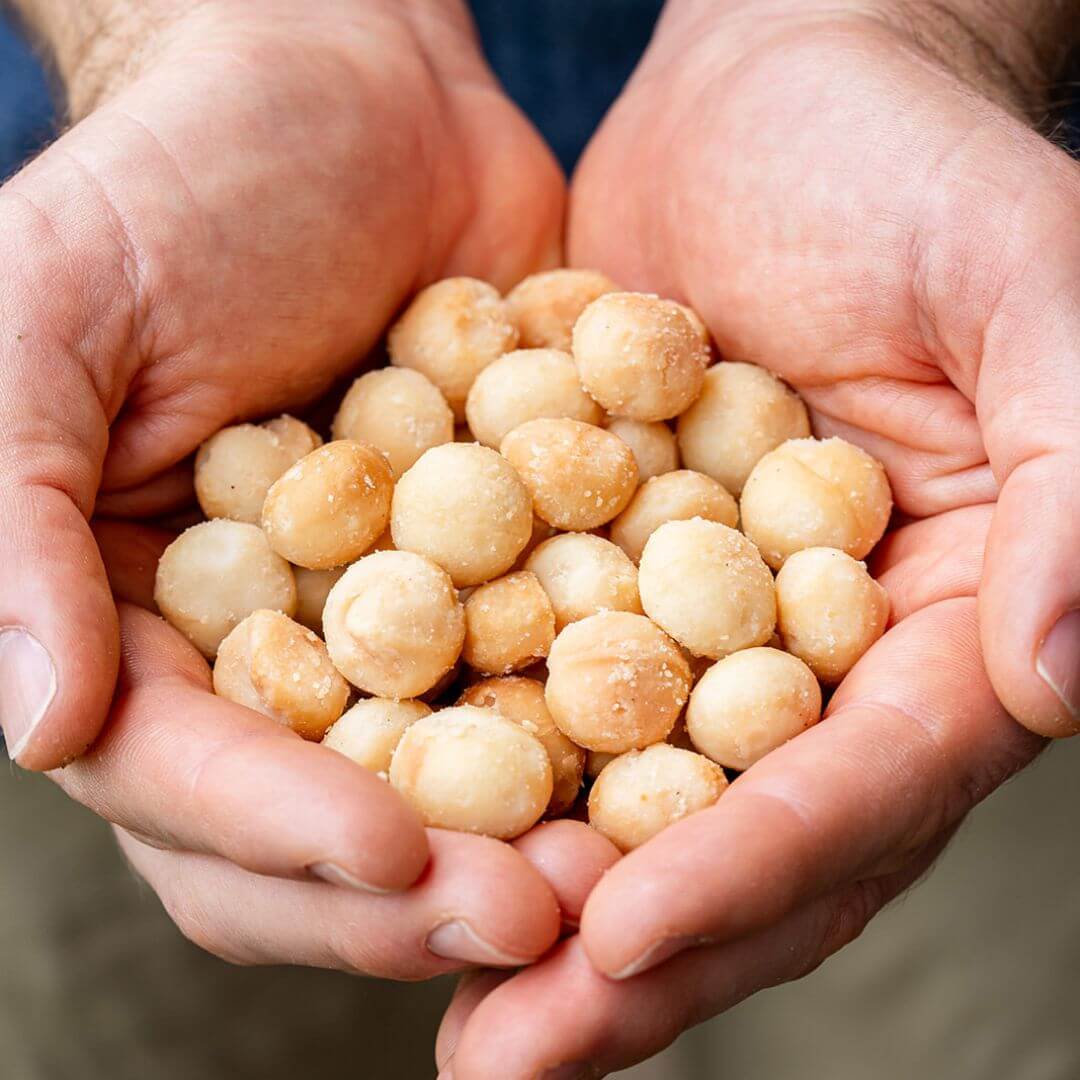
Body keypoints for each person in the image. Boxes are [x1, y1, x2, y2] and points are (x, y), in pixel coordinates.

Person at [0, 2, 1077, 1078]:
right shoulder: (374, 511)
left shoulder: (675, 486)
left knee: (935, 1021)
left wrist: (921, 24)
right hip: (159, 417)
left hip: (932, 423)